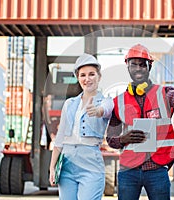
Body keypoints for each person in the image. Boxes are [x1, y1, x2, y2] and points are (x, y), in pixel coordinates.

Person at [106, 44, 174, 200]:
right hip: (128, 171)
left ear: (150, 66)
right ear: (127, 66)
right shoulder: (118, 102)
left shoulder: (164, 93)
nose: (138, 68)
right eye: (133, 64)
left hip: (157, 170)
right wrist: (124, 139)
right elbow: (111, 139)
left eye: (142, 64)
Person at [49, 53, 114, 200]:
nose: (87, 79)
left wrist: (97, 111)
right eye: (83, 75)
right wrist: (52, 166)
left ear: (99, 76)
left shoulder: (106, 101)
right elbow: (60, 139)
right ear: (78, 78)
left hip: (90, 163)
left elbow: (106, 110)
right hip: (67, 162)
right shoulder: (69, 104)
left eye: (92, 74)